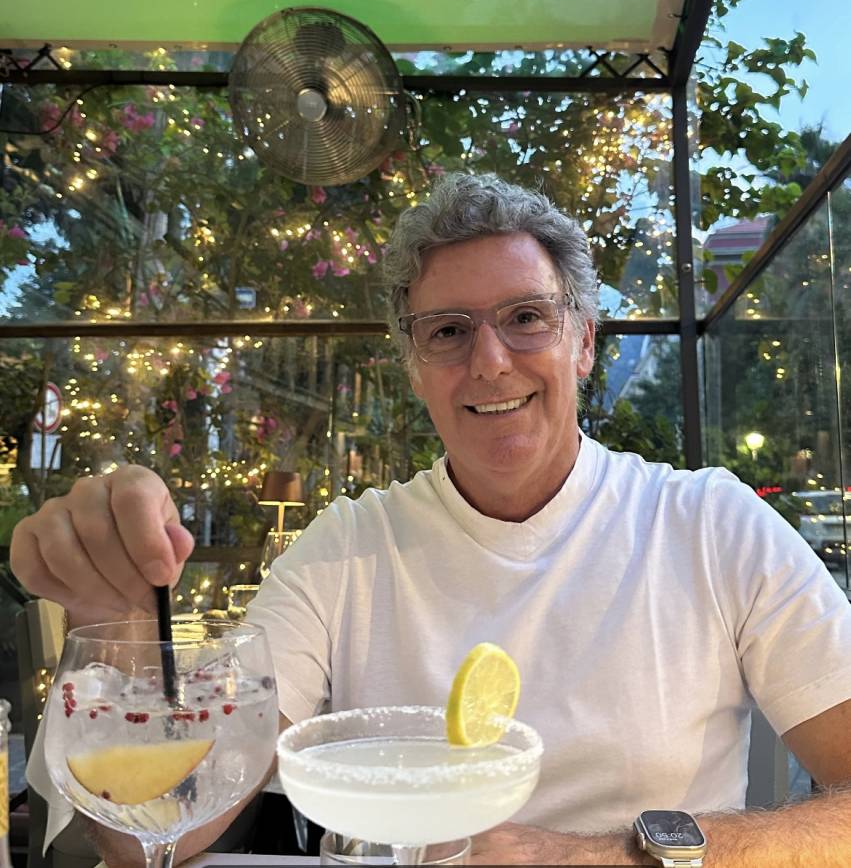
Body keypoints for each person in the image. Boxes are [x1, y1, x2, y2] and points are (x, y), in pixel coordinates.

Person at [12, 172, 851, 866]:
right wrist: (118, 623)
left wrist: (601, 855)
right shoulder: (345, 550)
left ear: (583, 341)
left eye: (526, 318)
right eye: (447, 331)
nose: (489, 362)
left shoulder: (711, 525)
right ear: (415, 367)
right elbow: (158, 828)